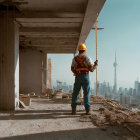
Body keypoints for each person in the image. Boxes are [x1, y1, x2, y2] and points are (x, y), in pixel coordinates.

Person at [71, 43, 98, 115]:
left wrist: (76, 72)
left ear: (79, 50)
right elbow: (91, 69)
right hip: (85, 77)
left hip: (77, 77)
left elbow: (72, 68)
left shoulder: (75, 59)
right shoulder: (87, 58)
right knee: (86, 93)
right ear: (84, 50)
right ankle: (87, 110)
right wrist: (95, 65)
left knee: (75, 93)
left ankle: (73, 110)